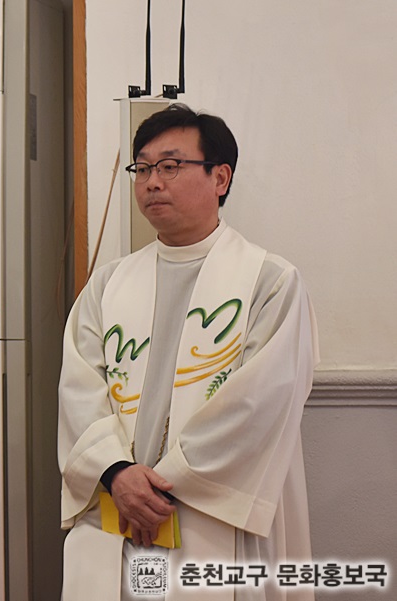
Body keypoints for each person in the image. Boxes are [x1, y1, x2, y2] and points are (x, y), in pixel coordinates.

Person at [58, 104, 318, 600]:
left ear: (220, 177)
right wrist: (116, 474)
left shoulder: (270, 282)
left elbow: (260, 404)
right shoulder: (108, 284)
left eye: (171, 166)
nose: (152, 182)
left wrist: (156, 486)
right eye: (142, 168)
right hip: (117, 509)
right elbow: (79, 391)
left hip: (214, 516)